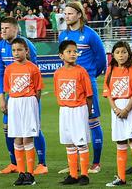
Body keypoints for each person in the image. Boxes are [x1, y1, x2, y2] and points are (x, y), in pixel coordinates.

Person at [59, 1, 108, 173]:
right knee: (72, 123)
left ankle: (95, 163)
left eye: (70, 13)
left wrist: (92, 74)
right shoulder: (62, 36)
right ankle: (75, 163)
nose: (67, 16)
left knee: (92, 121)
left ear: (79, 15)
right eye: (65, 14)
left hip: (86, 83)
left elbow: (102, 58)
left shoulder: (90, 35)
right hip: (69, 85)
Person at [0, 17, 47, 176]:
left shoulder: (26, 45)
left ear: (16, 29)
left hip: (29, 96)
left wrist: (34, 99)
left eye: (7, 28)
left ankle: (42, 163)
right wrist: (2, 97)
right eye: (2, 28)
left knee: (33, 130)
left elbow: (34, 70)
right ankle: (14, 164)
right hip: (13, 98)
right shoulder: (0, 47)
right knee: (9, 129)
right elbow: (0, 73)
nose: (3, 31)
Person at [103, 41, 132, 187]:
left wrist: (126, 109)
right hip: (116, 109)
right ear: (113, 55)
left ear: (129, 53)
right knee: (120, 142)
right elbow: (107, 91)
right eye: (118, 52)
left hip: (131, 108)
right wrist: (115, 109)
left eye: (124, 52)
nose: (121, 55)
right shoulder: (110, 70)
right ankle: (121, 178)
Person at [3, 38, 44, 186]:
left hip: (28, 101)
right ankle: (21, 173)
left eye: (19, 49)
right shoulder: (9, 69)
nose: (16, 53)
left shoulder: (33, 68)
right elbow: (9, 89)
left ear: (26, 51)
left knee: (28, 138)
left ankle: (30, 174)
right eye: (14, 50)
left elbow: (38, 90)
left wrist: (33, 105)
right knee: (17, 139)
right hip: (14, 102)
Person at [54, 40, 92, 186]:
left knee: (81, 143)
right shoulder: (58, 73)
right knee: (69, 144)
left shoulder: (81, 71)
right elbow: (58, 92)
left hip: (78, 109)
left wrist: (86, 113)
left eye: (75, 51)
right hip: (64, 110)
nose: (73, 54)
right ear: (61, 55)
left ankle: (84, 174)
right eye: (69, 52)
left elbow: (89, 95)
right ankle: (73, 174)